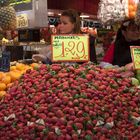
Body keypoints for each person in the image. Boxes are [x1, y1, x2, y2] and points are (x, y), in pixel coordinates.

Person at [32, 9, 97, 64]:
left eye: (65, 23)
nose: (60, 26)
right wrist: (45, 59)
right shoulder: (59, 41)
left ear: (73, 25)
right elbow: (54, 63)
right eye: (60, 23)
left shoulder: (86, 41)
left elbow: (92, 65)